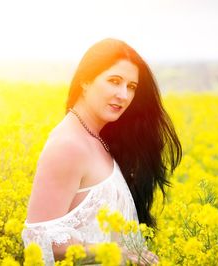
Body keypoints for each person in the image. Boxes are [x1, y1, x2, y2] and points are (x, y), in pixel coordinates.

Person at [21, 38, 182, 265]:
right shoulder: (68, 145)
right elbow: (40, 238)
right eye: (114, 81)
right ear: (86, 81)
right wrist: (118, 252)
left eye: (131, 87)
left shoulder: (97, 139)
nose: (124, 95)